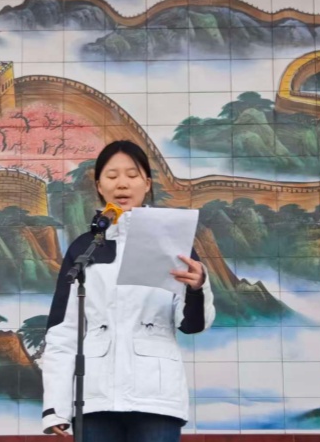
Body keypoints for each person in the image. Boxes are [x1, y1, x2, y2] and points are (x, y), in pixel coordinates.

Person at [41, 140, 216, 442]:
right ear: (99, 185)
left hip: (156, 397)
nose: (122, 184)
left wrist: (197, 288)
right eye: (112, 176)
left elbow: (191, 325)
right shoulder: (84, 248)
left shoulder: (171, 242)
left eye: (132, 175)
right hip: (94, 398)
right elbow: (63, 331)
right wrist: (56, 406)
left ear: (147, 183)